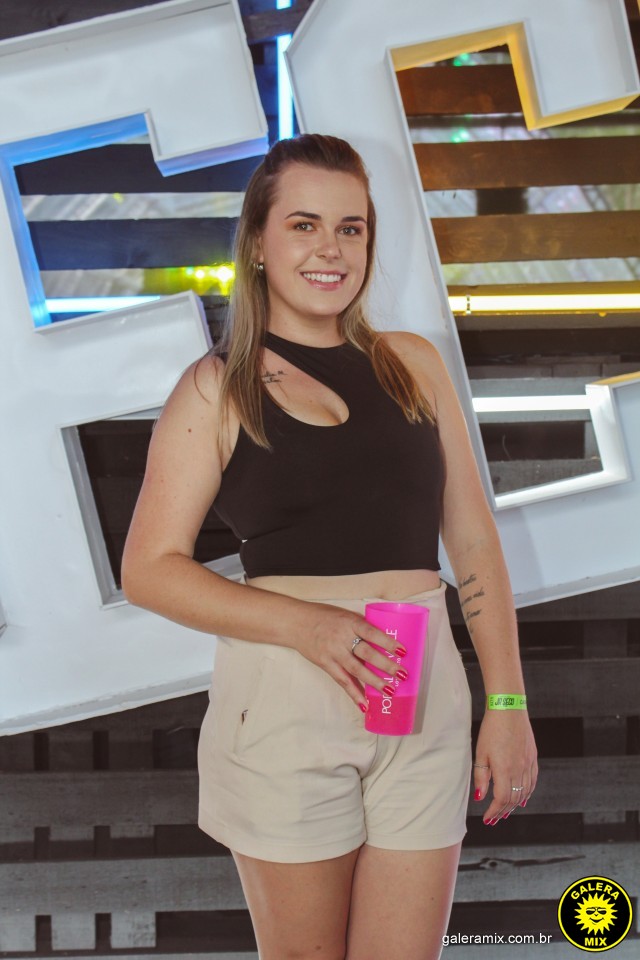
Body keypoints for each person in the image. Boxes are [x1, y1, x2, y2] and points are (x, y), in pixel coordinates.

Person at [121, 133, 537, 960]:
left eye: (351, 228)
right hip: (287, 695)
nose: (331, 249)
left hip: (420, 686)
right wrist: (308, 627)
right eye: (304, 224)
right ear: (258, 243)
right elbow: (149, 569)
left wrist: (508, 704)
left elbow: (472, 540)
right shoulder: (218, 386)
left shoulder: (413, 365)